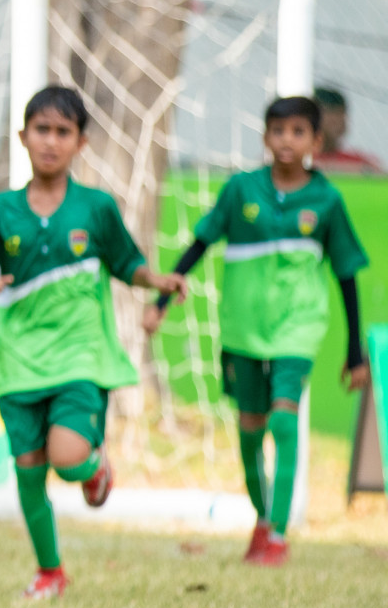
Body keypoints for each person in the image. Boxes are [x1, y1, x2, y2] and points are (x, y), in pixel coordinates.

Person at [0, 86, 187, 599]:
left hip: (81, 355)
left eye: (63, 132)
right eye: (42, 130)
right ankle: (50, 571)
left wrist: (155, 281)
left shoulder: (96, 208)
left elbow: (127, 263)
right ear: (23, 137)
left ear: (81, 142)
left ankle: (94, 468)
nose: (51, 141)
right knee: (29, 473)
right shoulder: (1, 211)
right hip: (17, 360)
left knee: (68, 458)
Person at [145, 96, 369, 566]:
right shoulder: (240, 191)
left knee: (284, 419)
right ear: (266, 137)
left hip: (298, 329)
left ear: (316, 140)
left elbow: (346, 274)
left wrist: (354, 352)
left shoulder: (326, 200)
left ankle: (281, 535)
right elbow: (201, 242)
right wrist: (162, 300)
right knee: (250, 431)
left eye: (298, 132)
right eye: (278, 130)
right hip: (243, 330)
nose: (287, 140)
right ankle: (262, 518)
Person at [310, 86, 382, 174]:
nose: (339, 122)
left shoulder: (359, 163)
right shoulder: (298, 160)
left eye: (342, 115)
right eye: (331, 116)